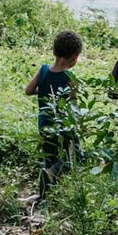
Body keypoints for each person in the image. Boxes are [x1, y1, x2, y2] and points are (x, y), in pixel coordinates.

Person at [26, 29, 83, 198]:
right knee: (72, 156)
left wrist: (44, 92)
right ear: (74, 57)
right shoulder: (70, 78)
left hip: (44, 122)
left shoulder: (43, 70)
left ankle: (45, 192)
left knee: (49, 155)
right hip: (63, 125)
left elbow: (28, 90)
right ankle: (51, 174)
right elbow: (74, 105)